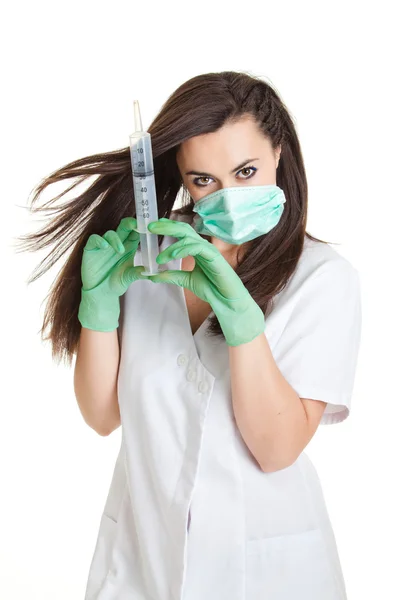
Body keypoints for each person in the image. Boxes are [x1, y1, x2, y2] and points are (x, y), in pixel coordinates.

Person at [16, 71, 362, 600]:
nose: (228, 196)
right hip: (141, 562)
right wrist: (98, 311)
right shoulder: (149, 254)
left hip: (265, 571)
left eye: (246, 171)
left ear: (280, 154)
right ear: (180, 178)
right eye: (204, 180)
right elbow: (102, 415)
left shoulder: (324, 278)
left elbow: (276, 448)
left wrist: (242, 321)